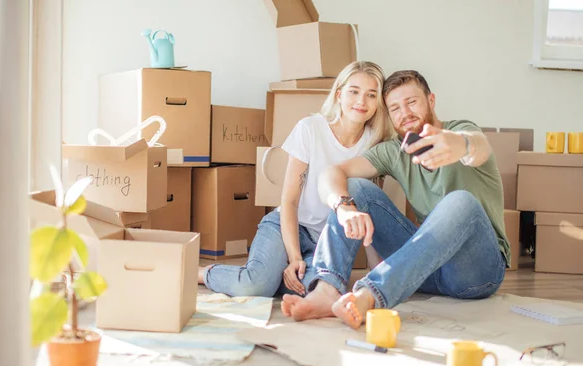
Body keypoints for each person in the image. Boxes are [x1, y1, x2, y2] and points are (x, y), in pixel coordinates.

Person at [281, 70, 509, 328]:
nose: (405, 113)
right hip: (427, 270)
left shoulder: (459, 132)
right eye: (395, 108)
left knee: (461, 202)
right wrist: (343, 207)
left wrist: (461, 146)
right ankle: (326, 289)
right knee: (355, 187)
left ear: (431, 101)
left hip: (476, 273)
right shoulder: (394, 151)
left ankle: (371, 294)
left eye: (412, 102)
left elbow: (479, 146)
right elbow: (332, 174)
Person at [197, 61, 393, 298]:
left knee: (316, 289)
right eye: (354, 91)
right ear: (339, 94)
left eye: (371, 95)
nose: (361, 101)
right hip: (287, 226)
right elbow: (290, 201)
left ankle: (270, 275)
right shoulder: (310, 129)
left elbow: (366, 210)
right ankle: (204, 273)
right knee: (255, 286)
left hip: (326, 241)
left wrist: (376, 271)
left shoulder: (376, 144)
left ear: (378, 103)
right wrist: (295, 257)